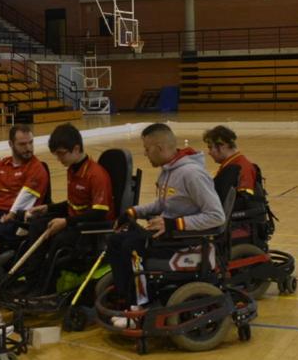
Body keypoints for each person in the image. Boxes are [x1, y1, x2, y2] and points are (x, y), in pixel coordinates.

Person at [106, 123, 224, 322]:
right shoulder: (168, 171)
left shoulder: (192, 174)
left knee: (132, 247)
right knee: (115, 240)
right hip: (168, 233)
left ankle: (140, 307)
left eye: (146, 149)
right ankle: (126, 295)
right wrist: (134, 212)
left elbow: (216, 216)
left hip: (185, 239)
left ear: (159, 148)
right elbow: (162, 204)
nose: (145, 153)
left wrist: (174, 224)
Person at [20, 123, 114, 295]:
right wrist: (48, 208)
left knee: (58, 240)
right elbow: (73, 204)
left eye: (61, 154)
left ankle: (45, 289)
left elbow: (99, 212)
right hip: (74, 222)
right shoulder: (72, 169)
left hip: (88, 230)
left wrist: (66, 222)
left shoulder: (96, 174)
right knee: (36, 226)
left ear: (76, 149)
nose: (59, 159)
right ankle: (31, 280)